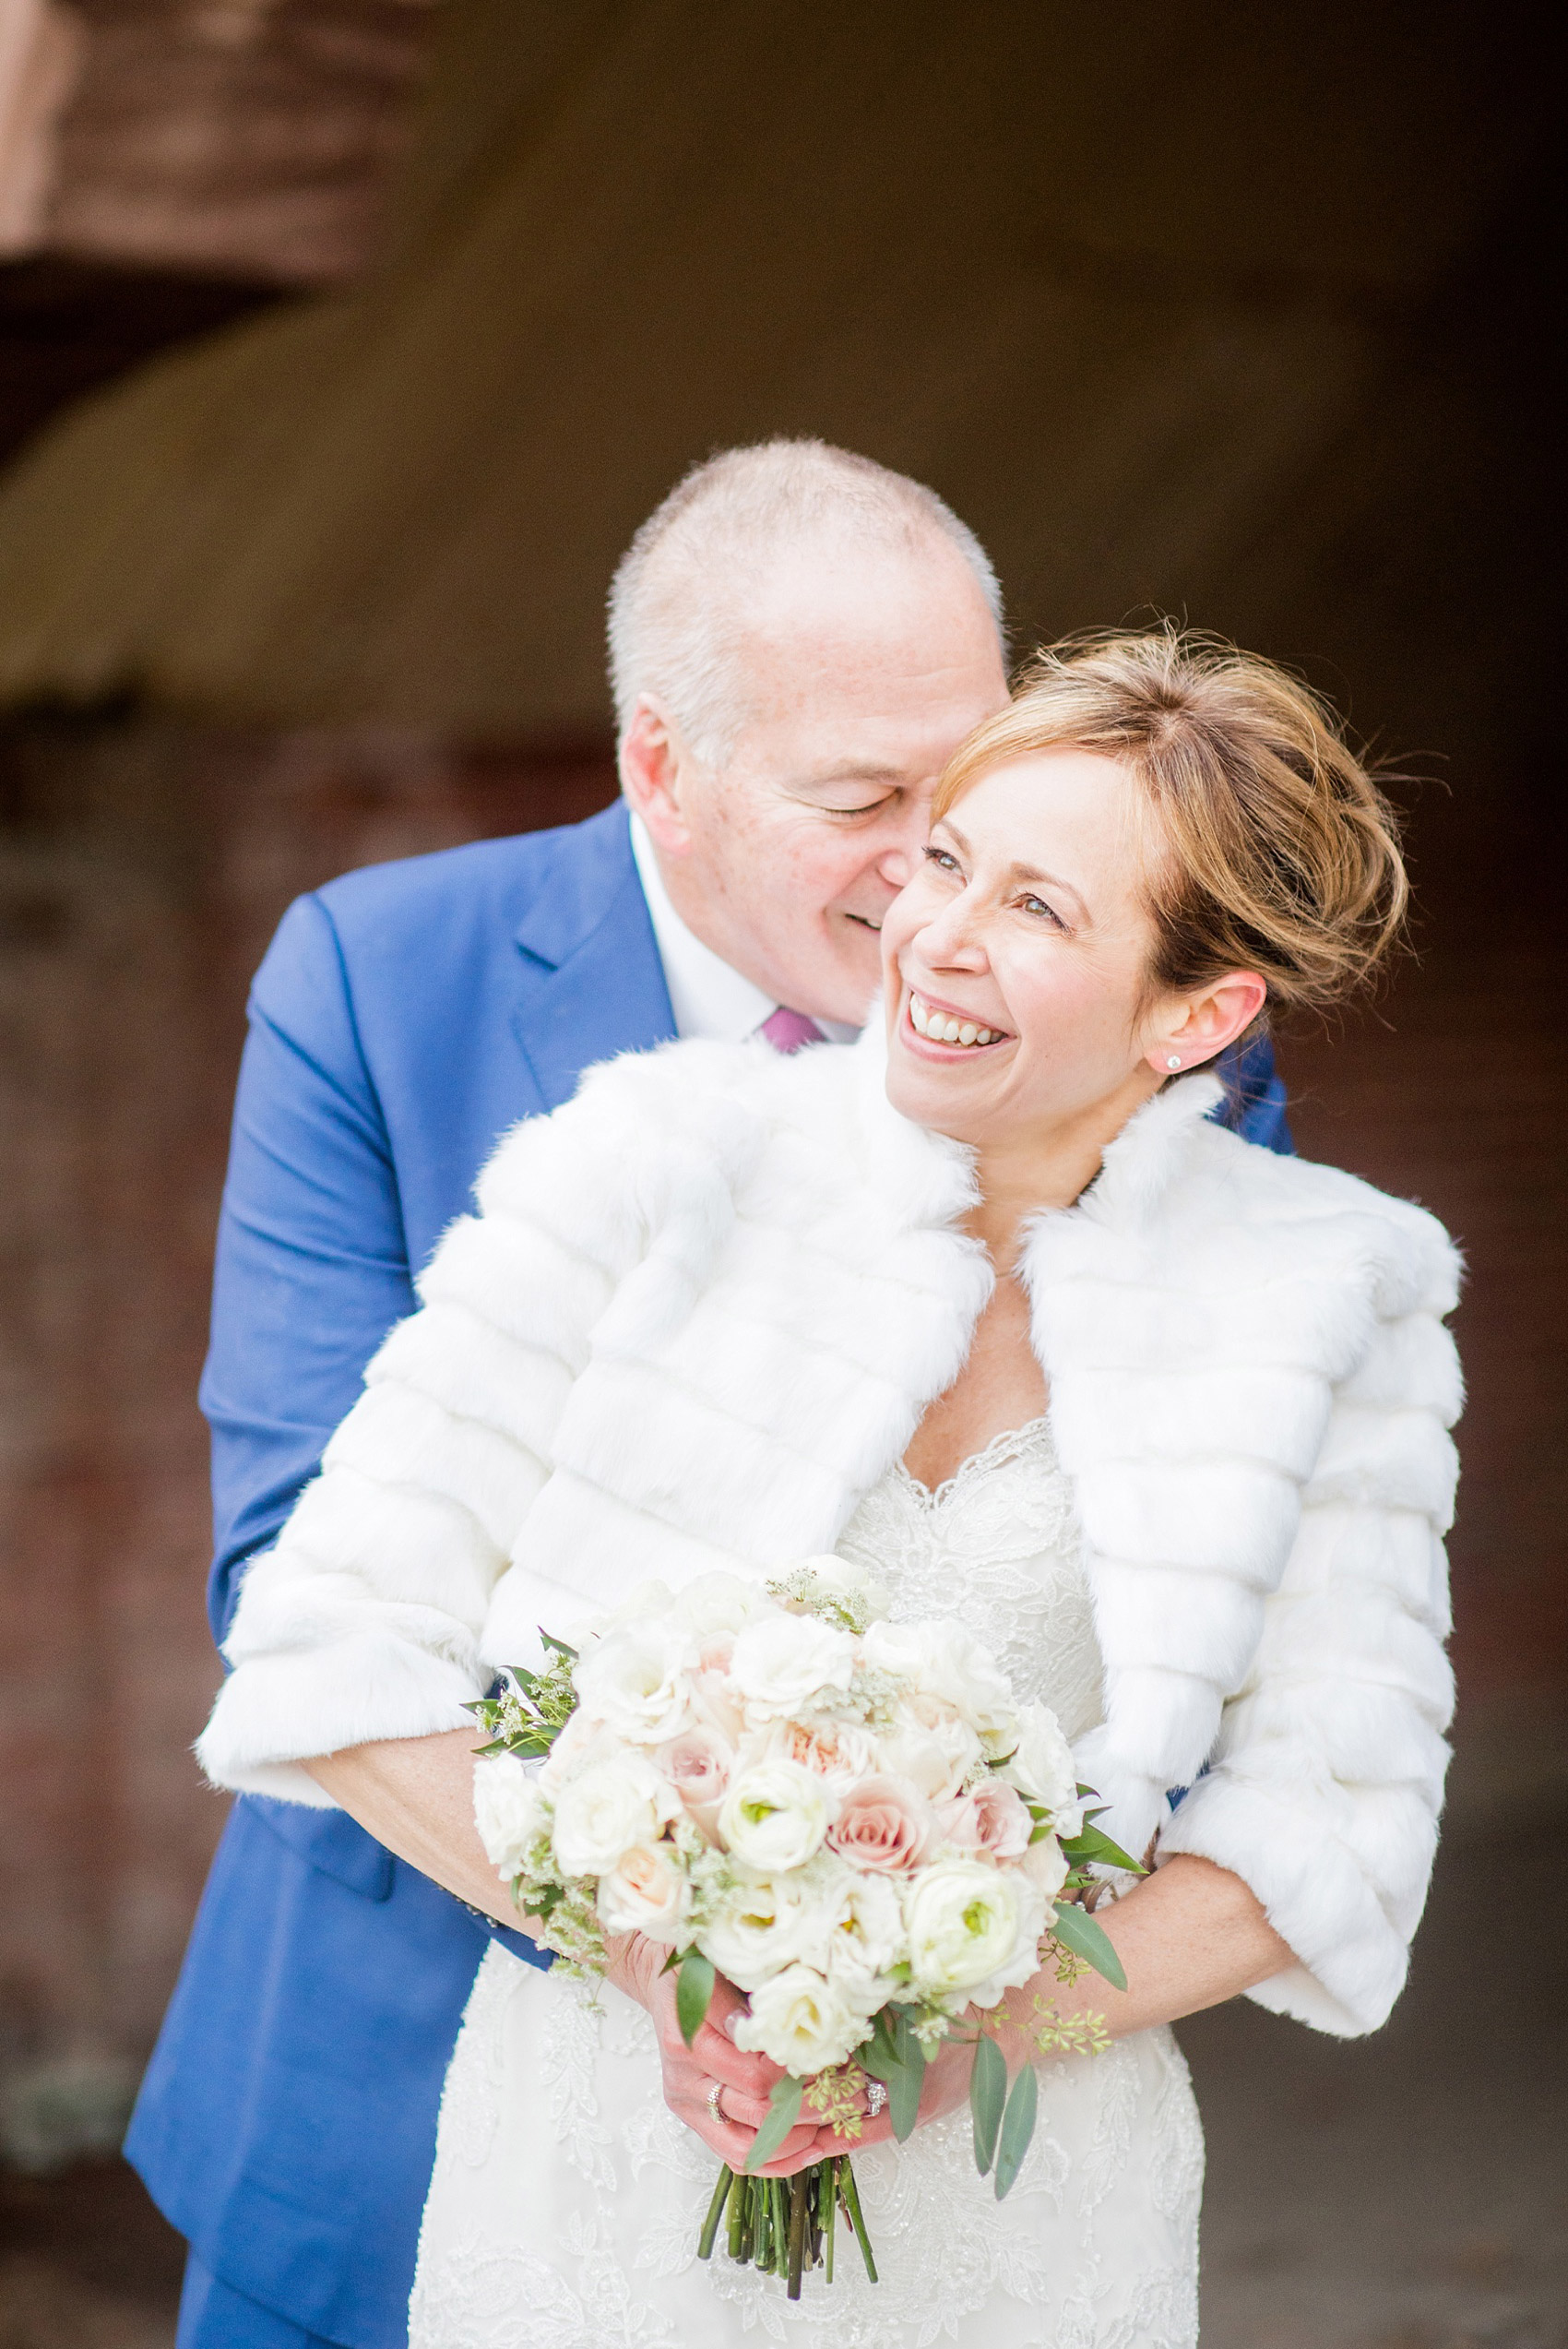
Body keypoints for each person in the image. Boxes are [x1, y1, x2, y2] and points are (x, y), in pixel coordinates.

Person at [128, 444, 1289, 2349]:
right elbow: (292, 1577)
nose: (944, 876)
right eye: (865, 802)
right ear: (659, 767)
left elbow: (1242, 1668)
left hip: (954, 2191)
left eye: (981, 779)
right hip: (392, 2117)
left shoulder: (1151, 1048)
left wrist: (948, 2002)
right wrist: (701, 1967)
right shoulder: (373, 981)